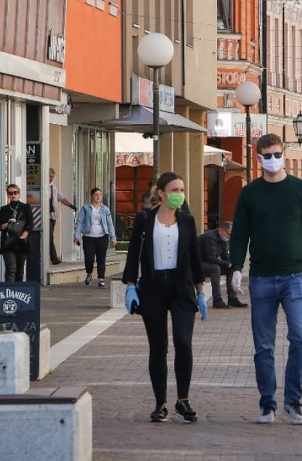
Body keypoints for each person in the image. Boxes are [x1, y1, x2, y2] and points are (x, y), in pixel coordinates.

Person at [229, 134, 302, 426]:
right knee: (263, 345)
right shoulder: (250, 194)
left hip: (295, 277)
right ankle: (267, 403)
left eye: (276, 154)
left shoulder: (300, 190)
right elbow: (239, 234)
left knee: (300, 337)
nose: (272, 160)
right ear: (258, 158)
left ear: (283, 153)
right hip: (261, 278)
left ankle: (293, 401)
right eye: (266, 156)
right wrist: (236, 267)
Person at [122, 171, 206, 423]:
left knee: (183, 342)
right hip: (153, 288)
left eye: (182, 190)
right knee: (158, 347)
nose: (179, 195)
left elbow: (195, 257)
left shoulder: (188, 221)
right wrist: (129, 285)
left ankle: (183, 399)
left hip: (182, 288)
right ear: (161, 193)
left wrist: (201, 292)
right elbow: (134, 252)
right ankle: (160, 403)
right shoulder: (145, 219)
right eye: (174, 190)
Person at [73, 187, 118, 288]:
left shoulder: (105, 209)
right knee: (89, 259)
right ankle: (89, 273)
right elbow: (80, 222)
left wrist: (113, 237)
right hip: (89, 237)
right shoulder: (85, 208)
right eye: (96, 195)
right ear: (92, 197)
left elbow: (110, 224)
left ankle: (101, 280)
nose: (98, 197)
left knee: (101, 259)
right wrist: (76, 235)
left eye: (100, 195)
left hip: (102, 237)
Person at [198, 221, 247, 309]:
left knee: (230, 269)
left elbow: (225, 257)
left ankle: (232, 299)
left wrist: (232, 265)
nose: (230, 237)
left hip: (208, 263)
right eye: (229, 234)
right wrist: (227, 264)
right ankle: (217, 301)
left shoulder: (223, 239)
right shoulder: (210, 237)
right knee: (215, 269)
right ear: (221, 231)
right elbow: (211, 258)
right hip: (196, 264)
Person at [0, 184, 33, 282]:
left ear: (19, 194)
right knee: (11, 268)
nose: (13, 195)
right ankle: (9, 289)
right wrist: (6, 224)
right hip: (8, 242)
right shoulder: (4, 209)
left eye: (15, 192)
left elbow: (30, 224)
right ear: (7, 195)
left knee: (20, 270)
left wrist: (23, 236)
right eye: (10, 193)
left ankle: (18, 291)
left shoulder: (26, 207)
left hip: (21, 241)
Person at [48, 167, 76, 265]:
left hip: (53, 216)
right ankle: (54, 258)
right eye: (49, 176)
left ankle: (52, 257)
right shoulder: (43, 187)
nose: (51, 178)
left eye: (52, 177)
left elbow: (61, 198)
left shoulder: (54, 187)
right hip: (45, 216)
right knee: (49, 237)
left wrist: (71, 205)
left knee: (50, 236)